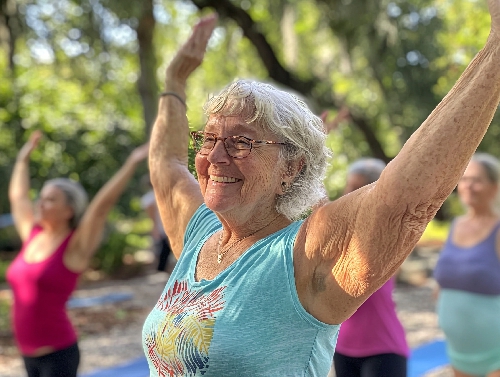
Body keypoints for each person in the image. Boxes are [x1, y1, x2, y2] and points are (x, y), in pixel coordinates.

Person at [143, 2, 500, 375]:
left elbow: (406, 199)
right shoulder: (200, 231)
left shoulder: (304, 254)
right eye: (209, 138)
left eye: (241, 142)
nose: (215, 155)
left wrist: (496, 48)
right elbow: (165, 167)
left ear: (291, 167)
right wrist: (174, 82)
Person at [6, 130, 149, 377]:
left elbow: (101, 207)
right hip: (27, 355)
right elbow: (18, 197)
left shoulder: (75, 247)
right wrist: (22, 159)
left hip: (58, 355)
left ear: (68, 210)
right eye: (41, 197)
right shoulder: (32, 234)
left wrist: (132, 162)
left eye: (50, 200)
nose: (40, 203)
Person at [333, 158, 409, 377]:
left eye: (358, 188)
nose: (350, 193)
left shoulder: (389, 234)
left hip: (383, 347)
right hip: (344, 345)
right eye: (349, 185)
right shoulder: (340, 229)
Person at [433, 153, 500, 377]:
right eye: (464, 179)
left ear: (494, 186)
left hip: (494, 354)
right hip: (458, 351)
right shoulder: (456, 226)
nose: (469, 186)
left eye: (477, 180)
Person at [140, 181, 173, 272]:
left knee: (164, 248)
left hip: (164, 225)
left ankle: (162, 268)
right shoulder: (152, 198)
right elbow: (152, 215)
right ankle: (161, 269)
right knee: (163, 248)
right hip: (162, 225)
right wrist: (155, 228)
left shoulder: (153, 197)